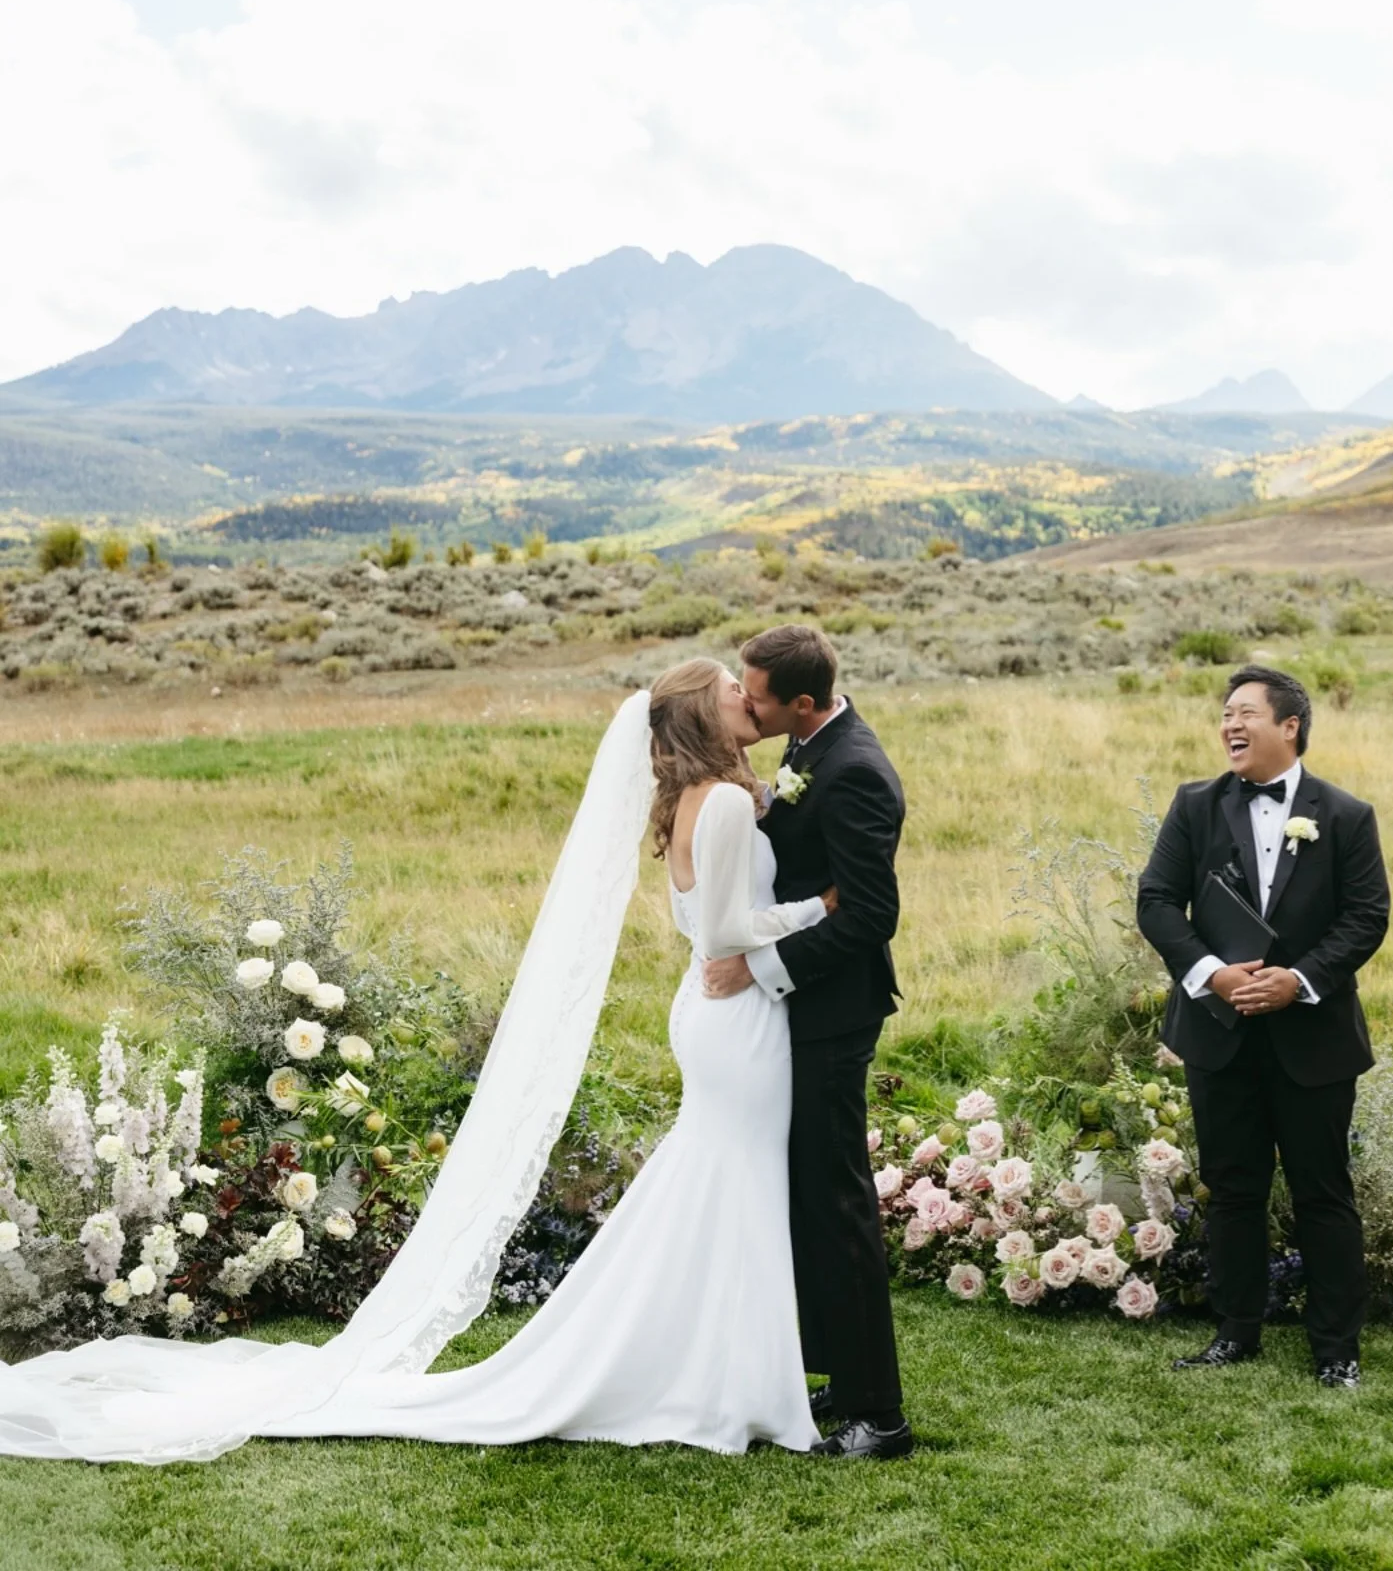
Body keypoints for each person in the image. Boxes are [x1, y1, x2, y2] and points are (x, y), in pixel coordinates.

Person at [0, 662, 832, 1461]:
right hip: (737, 1018)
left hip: (723, 1017)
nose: (746, 696)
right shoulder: (719, 800)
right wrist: (818, 910)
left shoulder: (710, 797)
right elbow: (724, 935)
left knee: (720, 1186)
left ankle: (721, 1372)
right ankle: (714, 1380)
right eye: (732, 688)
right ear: (700, 711)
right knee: (730, 1182)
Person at [1137, 664, 1389, 1389]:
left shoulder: (1346, 815)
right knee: (1233, 1186)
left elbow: (1367, 917)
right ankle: (1236, 1332)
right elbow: (1156, 901)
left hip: (1313, 1039)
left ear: (1291, 726)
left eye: (1246, 713)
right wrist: (1210, 972)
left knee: (1323, 1191)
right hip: (1218, 1033)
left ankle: (1336, 1349)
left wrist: (1299, 980)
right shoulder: (1194, 807)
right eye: (1224, 714)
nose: (1230, 725)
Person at [702, 624, 911, 1460]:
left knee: (839, 1202)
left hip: (833, 1010)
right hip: (802, 1005)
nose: (744, 705)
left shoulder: (854, 770)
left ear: (800, 702)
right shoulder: (811, 747)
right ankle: (828, 1372)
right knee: (806, 1196)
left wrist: (763, 970)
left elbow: (871, 915)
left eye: (754, 695)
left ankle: (880, 1415)